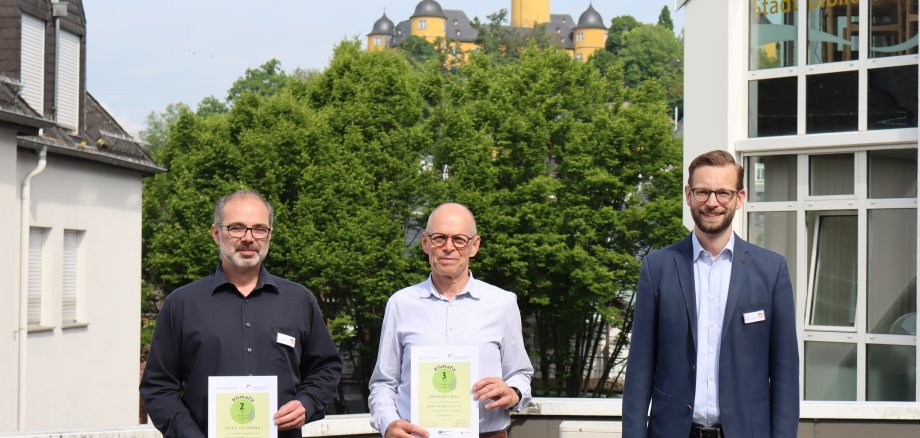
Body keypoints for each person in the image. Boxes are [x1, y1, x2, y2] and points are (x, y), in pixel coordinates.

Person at [622, 150, 799, 438]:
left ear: (739, 198)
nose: (712, 202)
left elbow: (785, 375)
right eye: (703, 192)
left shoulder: (771, 270)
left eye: (723, 193)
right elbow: (639, 369)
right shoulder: (657, 268)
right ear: (688, 195)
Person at [140, 190, 342, 438]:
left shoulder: (299, 300)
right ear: (216, 233)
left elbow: (327, 368)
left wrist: (307, 403)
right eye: (236, 228)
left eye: (259, 229)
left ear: (269, 235)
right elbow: (158, 387)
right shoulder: (181, 304)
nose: (249, 238)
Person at [368, 203, 534, 438]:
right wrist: (388, 423)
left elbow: (520, 373)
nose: (448, 247)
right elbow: (383, 383)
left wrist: (513, 391)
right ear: (425, 243)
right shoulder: (401, 303)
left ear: (474, 246)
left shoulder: (502, 303)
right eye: (439, 238)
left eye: (459, 239)